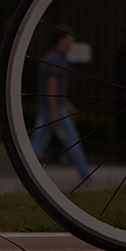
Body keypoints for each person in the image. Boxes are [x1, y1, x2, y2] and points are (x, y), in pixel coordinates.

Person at [30, 30, 92, 181]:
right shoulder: (56, 59)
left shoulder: (53, 57)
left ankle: (27, 169)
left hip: (50, 106)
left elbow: (54, 88)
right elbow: (52, 85)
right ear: (62, 40)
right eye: (71, 39)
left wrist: (68, 105)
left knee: (39, 140)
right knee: (71, 138)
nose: (72, 43)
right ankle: (84, 173)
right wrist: (54, 111)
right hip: (54, 107)